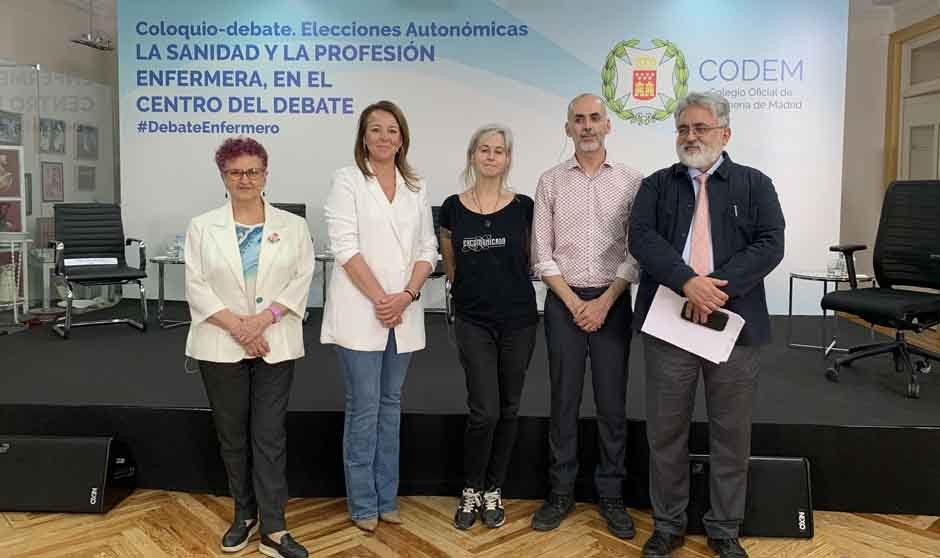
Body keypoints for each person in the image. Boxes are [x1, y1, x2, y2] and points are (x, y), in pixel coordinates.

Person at [629, 92, 785, 558]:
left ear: (725, 133)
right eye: (683, 129)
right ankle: (668, 524)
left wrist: (712, 286)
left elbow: (770, 243)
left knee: (731, 431)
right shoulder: (657, 185)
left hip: (733, 324)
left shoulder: (755, 184)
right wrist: (685, 282)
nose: (691, 136)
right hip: (669, 323)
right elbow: (641, 237)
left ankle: (723, 528)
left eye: (700, 128)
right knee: (666, 430)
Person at [185, 137, 314, 558]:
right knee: (232, 436)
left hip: (274, 341)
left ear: (265, 174)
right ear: (222, 176)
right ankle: (244, 515)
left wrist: (261, 322)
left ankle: (274, 529)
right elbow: (196, 287)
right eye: (236, 172)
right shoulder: (202, 226)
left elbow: (301, 279)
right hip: (220, 344)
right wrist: (239, 328)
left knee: (269, 435)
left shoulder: (292, 226)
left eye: (253, 171)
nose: (245, 179)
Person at [321, 100, 438, 532]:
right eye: (376, 129)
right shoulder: (347, 180)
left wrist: (405, 296)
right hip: (361, 310)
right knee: (365, 406)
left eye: (392, 129)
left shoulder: (416, 184)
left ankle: (388, 496)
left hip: (402, 311)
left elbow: (427, 249)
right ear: (363, 137)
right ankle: (363, 502)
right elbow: (344, 247)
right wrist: (380, 299)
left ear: (402, 137)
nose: (385, 136)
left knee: (391, 405)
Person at [530, 93, 643, 539]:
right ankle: (560, 492)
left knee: (613, 403)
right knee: (563, 400)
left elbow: (638, 250)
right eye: (579, 120)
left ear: (608, 125)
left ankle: (612, 495)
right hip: (563, 302)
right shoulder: (550, 181)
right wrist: (576, 303)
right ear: (568, 129)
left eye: (595, 118)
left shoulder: (633, 181)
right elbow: (542, 253)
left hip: (613, 302)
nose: (588, 126)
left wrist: (604, 301)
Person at [439, 124, 538, 530]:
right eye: (484, 149)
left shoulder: (525, 207)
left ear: (508, 159)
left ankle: (494, 489)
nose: (492, 156)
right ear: (472, 156)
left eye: (500, 151)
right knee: (485, 411)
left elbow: (532, 260)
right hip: (472, 320)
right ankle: (472, 489)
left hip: (519, 320)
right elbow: (451, 264)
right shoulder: (451, 207)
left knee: (510, 408)